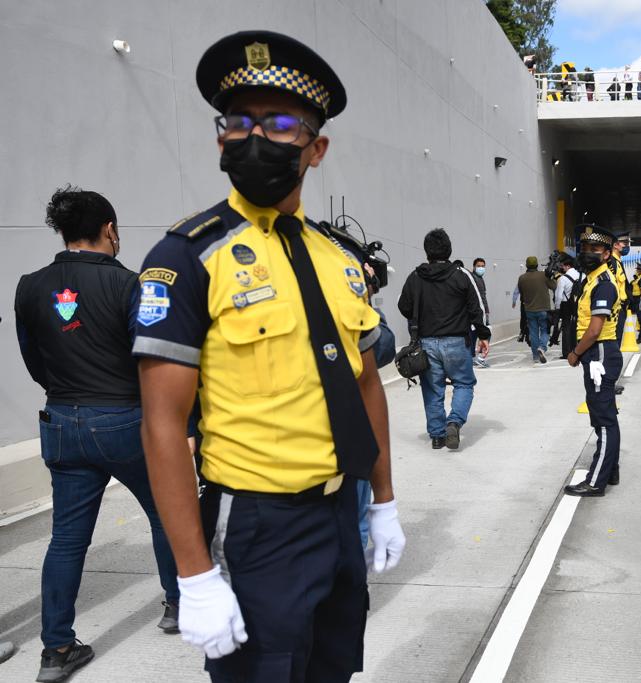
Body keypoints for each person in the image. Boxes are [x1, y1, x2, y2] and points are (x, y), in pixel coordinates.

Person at [132, 31, 406, 682]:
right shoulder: (188, 256)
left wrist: (384, 498)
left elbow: (366, 384)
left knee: (332, 668)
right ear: (221, 137)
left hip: (342, 514)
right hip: (258, 523)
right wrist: (195, 574)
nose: (255, 137)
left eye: (281, 122)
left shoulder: (341, 261)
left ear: (316, 148)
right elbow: (161, 423)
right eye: (238, 121)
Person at [15, 186, 180, 682]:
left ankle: (57, 648)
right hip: (127, 420)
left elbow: (33, 360)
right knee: (166, 512)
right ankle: (177, 607)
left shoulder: (29, 285)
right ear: (109, 229)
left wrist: (68, 393)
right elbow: (154, 360)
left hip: (63, 421)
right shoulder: (134, 285)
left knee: (66, 538)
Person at [399, 229, 490, 449]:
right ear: (449, 249)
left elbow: (404, 306)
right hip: (457, 341)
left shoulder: (415, 276)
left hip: (427, 343)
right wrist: (484, 334)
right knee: (464, 383)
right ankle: (454, 422)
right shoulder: (461, 274)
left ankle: (438, 436)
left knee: (432, 388)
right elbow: (477, 308)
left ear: (427, 251)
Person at [565, 225, 623, 497]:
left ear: (608, 253)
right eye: (585, 248)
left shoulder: (603, 285)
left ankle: (596, 481)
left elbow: (595, 329)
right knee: (603, 414)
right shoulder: (590, 281)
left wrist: (576, 352)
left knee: (603, 419)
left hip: (599, 353)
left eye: (595, 249)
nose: (588, 253)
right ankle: (610, 470)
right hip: (596, 354)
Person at [517, 256, 556, 363]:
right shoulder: (543, 275)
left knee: (533, 333)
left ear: (526, 265)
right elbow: (554, 286)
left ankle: (535, 357)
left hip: (529, 309)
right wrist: (552, 276)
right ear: (537, 264)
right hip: (543, 308)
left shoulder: (522, 278)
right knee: (545, 330)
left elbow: (521, 293)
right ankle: (542, 348)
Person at [553, 254, 581, 359]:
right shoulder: (580, 275)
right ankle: (577, 349)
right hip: (578, 304)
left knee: (566, 328)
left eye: (563, 266)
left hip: (565, 305)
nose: (563, 268)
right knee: (577, 326)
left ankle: (567, 352)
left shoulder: (563, 278)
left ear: (568, 266)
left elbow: (558, 295)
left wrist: (557, 307)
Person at [469, 257, 491, 368]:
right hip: (477, 312)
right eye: (479, 266)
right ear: (474, 267)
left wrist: (487, 310)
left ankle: (473, 358)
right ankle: (480, 357)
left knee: (474, 336)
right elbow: (479, 298)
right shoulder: (474, 278)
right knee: (485, 334)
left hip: (481, 311)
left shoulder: (479, 278)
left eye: (483, 266)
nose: (481, 268)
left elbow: (483, 296)